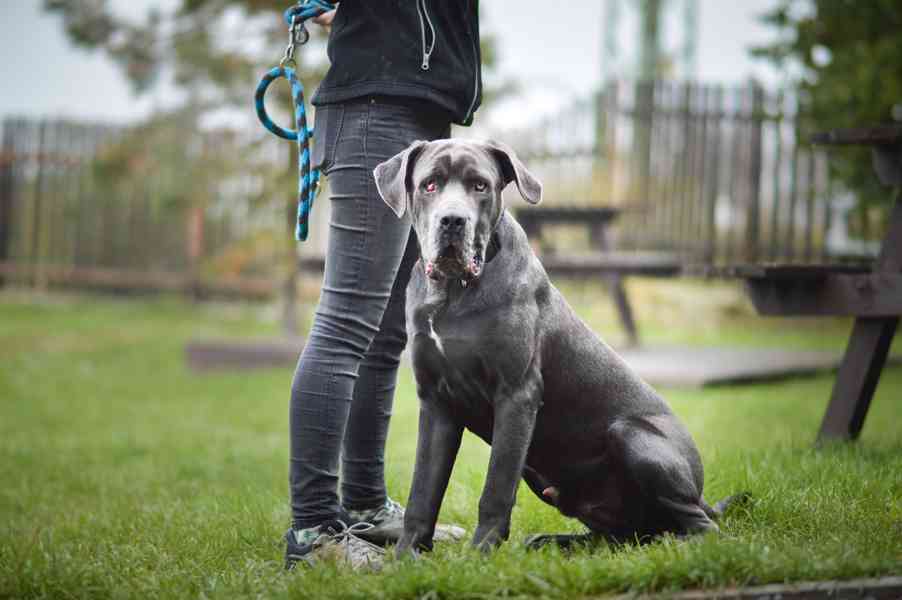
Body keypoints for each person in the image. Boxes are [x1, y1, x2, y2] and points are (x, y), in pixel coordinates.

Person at [285, 0, 483, 571]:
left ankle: (364, 505)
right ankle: (314, 528)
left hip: (417, 110)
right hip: (376, 110)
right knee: (346, 323)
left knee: (384, 334)